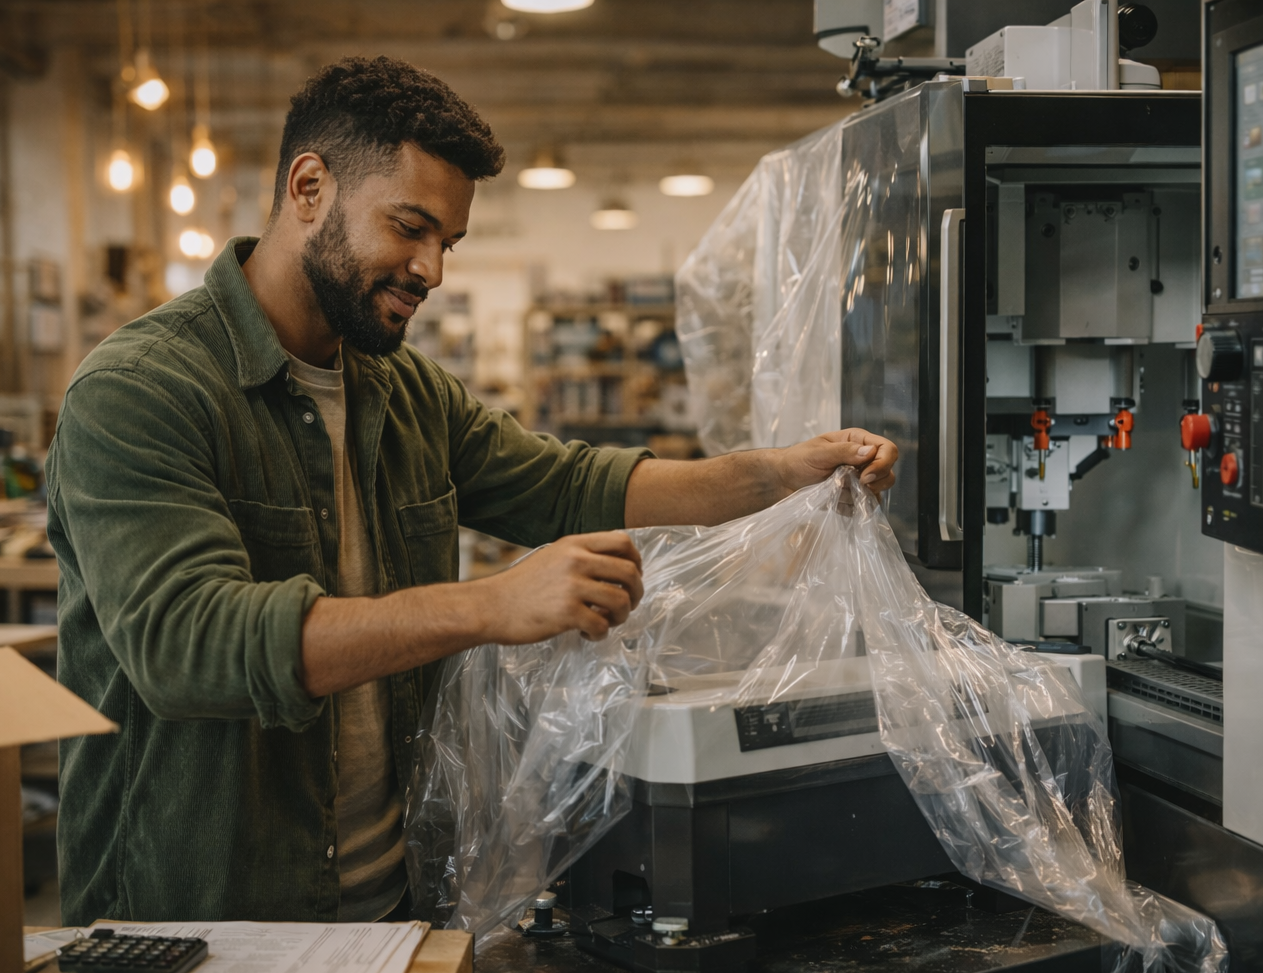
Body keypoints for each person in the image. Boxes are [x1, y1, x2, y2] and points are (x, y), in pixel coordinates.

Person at [46, 55, 897, 927]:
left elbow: (569, 484)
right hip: (191, 932)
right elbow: (188, 644)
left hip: (397, 911)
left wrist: (776, 472)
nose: (431, 270)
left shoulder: (402, 393)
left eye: (446, 242)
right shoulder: (142, 390)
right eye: (409, 227)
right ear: (308, 188)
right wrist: (490, 604)